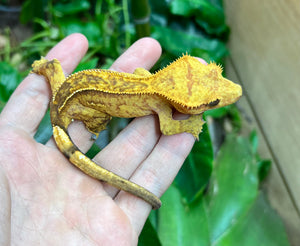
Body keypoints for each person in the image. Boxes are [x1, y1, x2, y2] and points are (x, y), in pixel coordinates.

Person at [0, 33, 197, 245]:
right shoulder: (157, 98)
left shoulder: (147, 78)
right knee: (99, 116)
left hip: (67, 89)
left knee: (55, 67)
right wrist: (189, 125)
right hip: (70, 107)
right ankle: (91, 121)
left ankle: (47, 69)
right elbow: (167, 126)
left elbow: (140, 72)